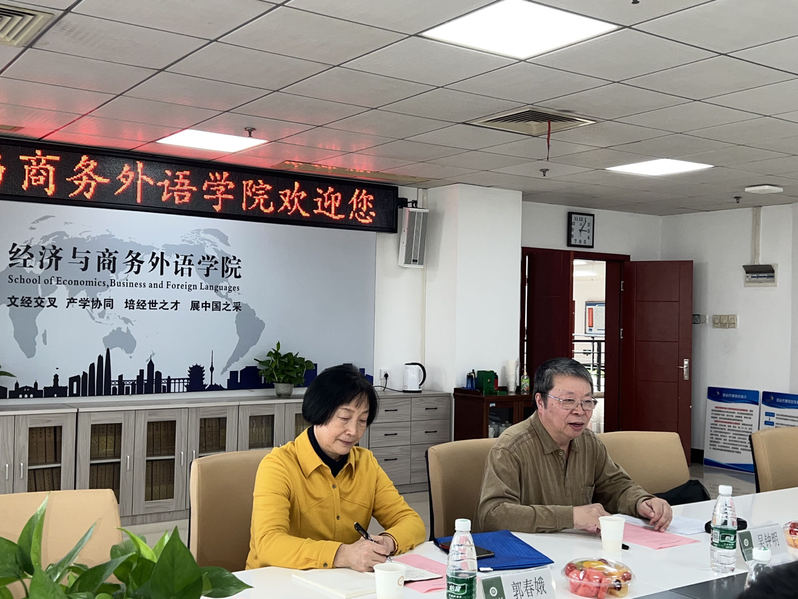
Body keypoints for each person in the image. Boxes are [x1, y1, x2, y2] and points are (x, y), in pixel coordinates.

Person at [247, 364, 425, 572]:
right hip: (276, 581)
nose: (354, 431)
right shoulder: (279, 466)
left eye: (362, 421)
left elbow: (411, 521)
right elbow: (269, 543)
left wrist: (388, 542)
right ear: (319, 411)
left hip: (341, 582)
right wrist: (343, 554)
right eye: (344, 418)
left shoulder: (366, 464)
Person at [478, 357, 672, 534]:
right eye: (568, 401)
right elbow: (492, 516)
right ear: (540, 402)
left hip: (581, 551)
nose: (580, 411)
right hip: (531, 553)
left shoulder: (589, 442)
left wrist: (642, 501)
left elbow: (615, 487)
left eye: (587, 401)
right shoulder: (511, 448)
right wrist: (570, 517)